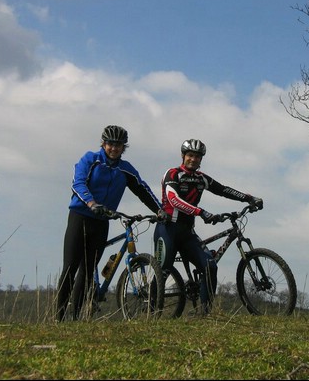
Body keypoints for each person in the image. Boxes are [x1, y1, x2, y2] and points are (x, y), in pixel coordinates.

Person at [56, 125, 163, 321]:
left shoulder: (125, 169)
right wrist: (91, 203)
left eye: (119, 145)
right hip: (80, 217)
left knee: (88, 271)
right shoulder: (91, 159)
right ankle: (58, 317)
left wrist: (159, 210)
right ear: (103, 144)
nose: (114, 148)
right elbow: (77, 182)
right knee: (70, 267)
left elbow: (142, 189)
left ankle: (75, 319)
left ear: (124, 147)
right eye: (110, 144)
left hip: (102, 222)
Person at [154, 138, 263, 315]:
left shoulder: (201, 178)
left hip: (187, 232)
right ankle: (152, 312)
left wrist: (248, 198)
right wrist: (200, 212)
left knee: (210, 266)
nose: (193, 159)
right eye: (190, 155)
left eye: (197, 157)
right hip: (167, 229)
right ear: (183, 156)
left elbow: (223, 189)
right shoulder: (172, 174)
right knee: (162, 271)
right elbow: (173, 200)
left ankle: (205, 313)